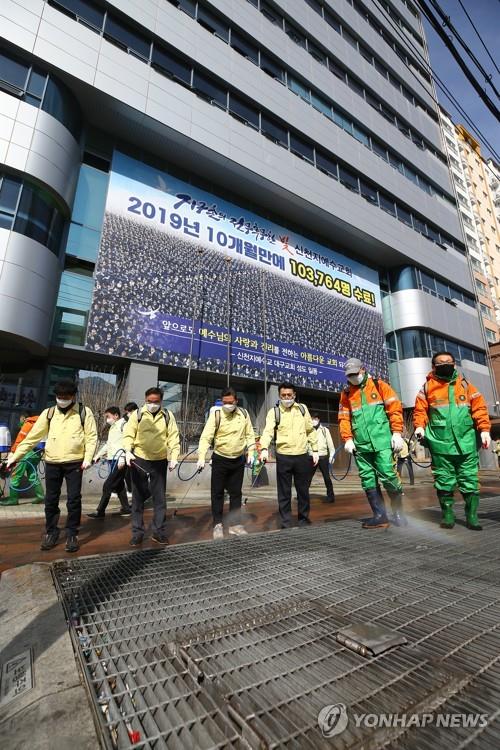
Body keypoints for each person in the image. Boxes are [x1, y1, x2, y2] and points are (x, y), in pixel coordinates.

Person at [6, 380, 97, 552]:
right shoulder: (48, 413)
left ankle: (72, 533)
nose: (62, 400)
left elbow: (91, 437)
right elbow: (31, 438)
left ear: (73, 396)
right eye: (59, 397)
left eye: (66, 397)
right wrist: (15, 457)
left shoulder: (84, 412)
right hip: (52, 462)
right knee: (51, 500)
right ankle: (51, 531)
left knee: (74, 499)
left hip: (75, 462)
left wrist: (88, 458)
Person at [413, 351, 491, 531]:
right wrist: (419, 426)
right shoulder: (426, 388)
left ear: (455, 365)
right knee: (444, 480)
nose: (445, 364)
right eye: (441, 362)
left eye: (449, 361)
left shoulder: (466, 386)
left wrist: (485, 429)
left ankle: (471, 515)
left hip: (466, 443)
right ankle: (447, 514)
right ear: (433, 367)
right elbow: (420, 411)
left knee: (469, 479)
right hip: (440, 444)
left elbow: (479, 408)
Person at [339, 358, 405, 528]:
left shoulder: (379, 385)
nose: (353, 377)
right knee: (368, 479)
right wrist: (348, 439)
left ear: (363, 369)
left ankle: (398, 513)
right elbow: (344, 418)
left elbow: (394, 409)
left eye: (355, 374)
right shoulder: (346, 394)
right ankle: (379, 515)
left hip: (382, 442)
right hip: (361, 446)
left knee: (389, 476)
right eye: (349, 375)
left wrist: (397, 433)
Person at [122, 387, 180, 546]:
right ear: (145, 400)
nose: (152, 404)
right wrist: (128, 451)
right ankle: (137, 532)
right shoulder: (137, 415)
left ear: (161, 401)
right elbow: (128, 435)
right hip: (139, 459)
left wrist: (174, 457)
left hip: (160, 460)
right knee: (138, 497)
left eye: (155, 402)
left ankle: (158, 531)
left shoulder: (168, 416)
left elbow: (173, 437)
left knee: (160, 498)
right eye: (149, 401)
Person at [197, 387, 255, 540]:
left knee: (236, 493)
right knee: (217, 493)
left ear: (236, 401)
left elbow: (249, 434)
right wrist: (201, 456)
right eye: (225, 402)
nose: (228, 405)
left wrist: (252, 451)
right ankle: (218, 524)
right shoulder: (216, 414)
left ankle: (235, 525)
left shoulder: (243, 414)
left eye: (230, 402)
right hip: (220, 459)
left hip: (238, 459)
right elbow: (206, 437)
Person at [260, 382, 318, 529]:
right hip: (284, 456)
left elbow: (310, 430)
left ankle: (303, 519)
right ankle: (286, 522)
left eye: (289, 395)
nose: (286, 398)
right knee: (284, 492)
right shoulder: (274, 412)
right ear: (279, 396)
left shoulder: (302, 409)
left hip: (301, 456)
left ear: (294, 395)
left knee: (303, 491)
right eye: (283, 395)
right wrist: (264, 448)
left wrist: (315, 450)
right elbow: (267, 431)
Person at [87, 406, 131, 518]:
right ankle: (126, 508)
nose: (107, 419)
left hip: (119, 460)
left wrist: (122, 458)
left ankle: (100, 511)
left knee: (108, 485)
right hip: (112, 460)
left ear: (116, 415)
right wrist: (97, 455)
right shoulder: (113, 427)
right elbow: (108, 444)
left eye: (108, 416)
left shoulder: (123, 425)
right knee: (119, 485)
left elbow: (127, 442)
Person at [0, 413, 45, 506]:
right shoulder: (40, 423)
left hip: (26, 454)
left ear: (24, 418)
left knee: (16, 475)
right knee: (32, 474)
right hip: (36, 453)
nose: (19, 422)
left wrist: (13, 452)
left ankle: (13, 499)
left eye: (20, 419)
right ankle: (40, 495)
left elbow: (20, 440)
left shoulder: (28, 423)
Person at [309, 415, 336, 503]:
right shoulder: (308, 430)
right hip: (311, 456)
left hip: (323, 457)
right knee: (307, 478)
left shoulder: (325, 430)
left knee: (327, 477)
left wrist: (332, 455)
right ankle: (302, 495)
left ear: (319, 419)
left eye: (315, 419)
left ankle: (331, 496)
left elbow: (330, 444)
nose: (314, 421)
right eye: (312, 419)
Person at [123, 402, 138, 500]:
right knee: (127, 474)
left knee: (134, 475)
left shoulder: (140, 419)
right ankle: (131, 491)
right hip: (128, 451)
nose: (128, 414)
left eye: (129, 412)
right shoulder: (125, 421)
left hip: (137, 452)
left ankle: (135, 493)